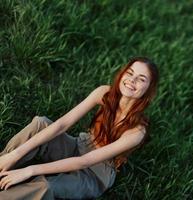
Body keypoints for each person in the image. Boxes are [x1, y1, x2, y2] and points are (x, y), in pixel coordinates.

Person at [0, 56, 159, 199]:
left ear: (149, 88)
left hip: (95, 173)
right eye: (130, 73)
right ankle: (3, 164)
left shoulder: (137, 131)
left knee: (45, 186)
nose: (132, 80)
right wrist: (16, 154)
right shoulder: (105, 93)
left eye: (141, 79)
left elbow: (84, 161)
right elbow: (61, 125)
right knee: (41, 123)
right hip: (80, 145)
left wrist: (30, 170)